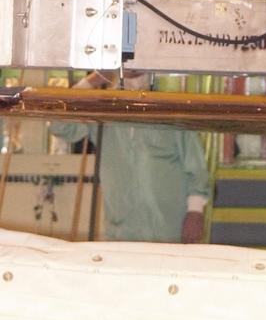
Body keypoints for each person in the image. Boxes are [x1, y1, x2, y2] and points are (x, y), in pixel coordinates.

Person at [51, 70, 209, 244]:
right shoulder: (105, 110)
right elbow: (60, 127)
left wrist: (195, 210)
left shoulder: (171, 108)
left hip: (168, 227)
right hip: (121, 228)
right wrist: (91, 82)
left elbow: (195, 166)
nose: (132, 68)